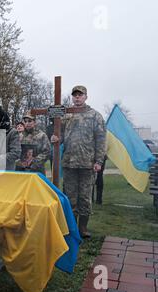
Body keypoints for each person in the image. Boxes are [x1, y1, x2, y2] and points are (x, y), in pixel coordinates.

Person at [51, 86, 106, 239]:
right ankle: (71, 228)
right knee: (70, 197)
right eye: (74, 95)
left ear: (86, 97)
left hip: (87, 164)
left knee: (85, 197)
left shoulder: (95, 115)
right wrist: (55, 138)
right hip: (69, 163)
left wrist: (99, 161)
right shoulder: (65, 114)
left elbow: (101, 140)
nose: (77, 98)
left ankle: (83, 228)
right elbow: (59, 133)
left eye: (80, 95)